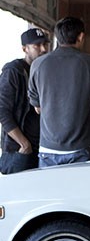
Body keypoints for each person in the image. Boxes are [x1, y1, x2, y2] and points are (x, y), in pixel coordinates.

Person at [28, 16, 90, 166]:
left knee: (48, 183)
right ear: (81, 36)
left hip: (48, 147)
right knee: (82, 183)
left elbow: (36, 106)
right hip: (82, 146)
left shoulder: (38, 64)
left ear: (57, 37)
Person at [0, 27, 49, 175]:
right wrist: (24, 143)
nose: (43, 49)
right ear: (24, 49)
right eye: (37, 45)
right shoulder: (13, 71)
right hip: (20, 150)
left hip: (42, 149)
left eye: (45, 44)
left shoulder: (44, 70)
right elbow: (2, 111)